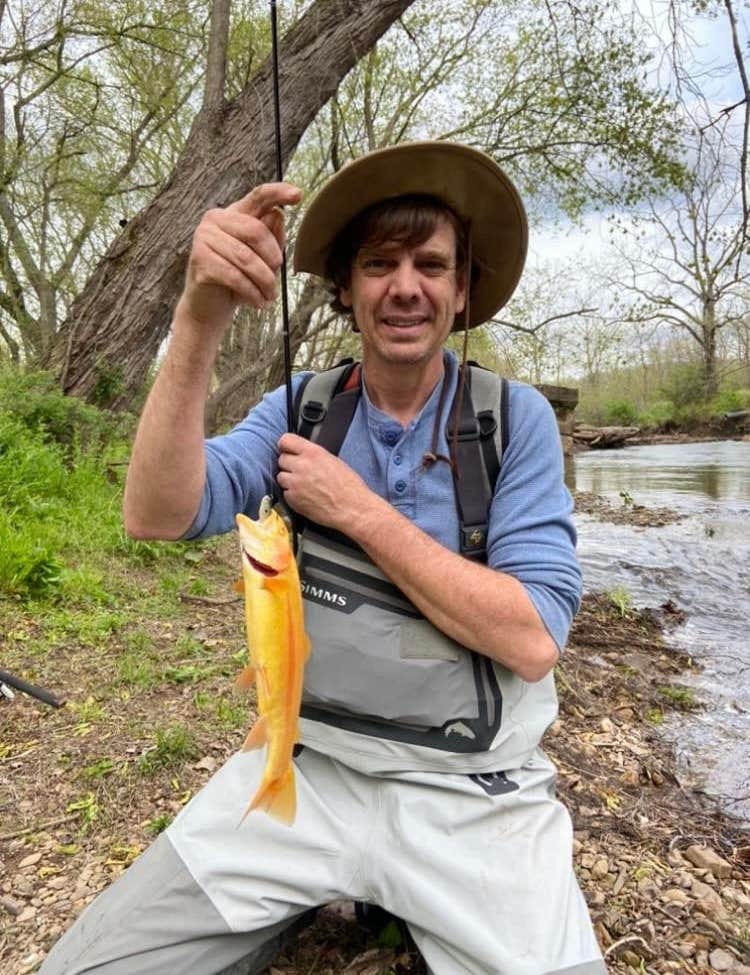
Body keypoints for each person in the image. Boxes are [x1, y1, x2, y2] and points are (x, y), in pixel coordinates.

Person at [40, 142, 606, 975]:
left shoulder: (513, 422)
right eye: (379, 263)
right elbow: (155, 514)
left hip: (474, 794)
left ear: (461, 290)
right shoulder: (299, 409)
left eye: (430, 263)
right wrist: (198, 314)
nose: (405, 285)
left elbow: (531, 639)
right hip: (309, 767)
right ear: (346, 289)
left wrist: (357, 509)